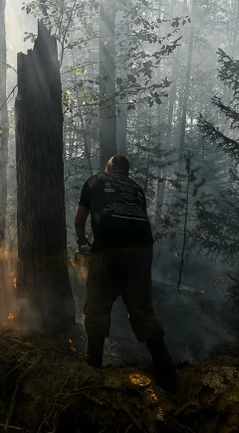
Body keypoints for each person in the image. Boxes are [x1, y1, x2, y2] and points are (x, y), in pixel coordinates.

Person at [74, 154, 177, 392]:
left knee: (98, 305)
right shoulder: (136, 188)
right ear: (127, 172)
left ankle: (93, 367)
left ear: (108, 167)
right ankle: (168, 374)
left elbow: (80, 220)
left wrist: (83, 244)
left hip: (109, 249)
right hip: (142, 250)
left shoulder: (94, 181)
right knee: (142, 309)